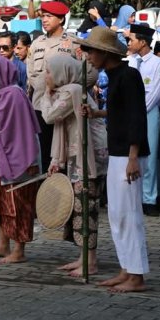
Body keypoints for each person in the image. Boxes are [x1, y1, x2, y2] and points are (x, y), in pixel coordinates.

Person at [77, 26, 150, 293]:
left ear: (104, 52)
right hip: (118, 151)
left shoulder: (128, 76)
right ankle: (126, 268)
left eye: (91, 50)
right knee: (118, 215)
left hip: (128, 154)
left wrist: (133, 155)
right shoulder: (115, 76)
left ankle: (137, 275)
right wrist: (97, 114)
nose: (88, 56)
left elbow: (136, 117)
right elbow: (120, 113)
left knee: (129, 215)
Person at [41, 55, 108, 277]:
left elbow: (50, 116)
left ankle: (91, 261)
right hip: (77, 155)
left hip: (88, 158)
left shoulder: (72, 91)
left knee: (85, 207)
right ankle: (83, 258)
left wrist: (45, 95)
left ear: (62, 73)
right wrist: (56, 161)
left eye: (49, 72)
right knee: (80, 206)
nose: (46, 77)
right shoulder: (69, 90)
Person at [0, 55, 41, 264]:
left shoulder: (14, 95)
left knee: (19, 203)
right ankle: (3, 244)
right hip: (2, 157)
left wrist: (31, 162)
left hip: (20, 158)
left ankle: (18, 249)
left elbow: (24, 132)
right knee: (1, 200)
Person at [28, 0, 91, 170]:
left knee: (66, 150)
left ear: (61, 19)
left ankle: (67, 191)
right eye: (43, 16)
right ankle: (48, 191)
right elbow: (31, 74)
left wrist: (65, 89)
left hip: (66, 106)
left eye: (49, 16)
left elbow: (88, 73)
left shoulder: (73, 42)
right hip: (41, 104)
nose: (44, 20)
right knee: (45, 150)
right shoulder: (37, 43)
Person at [127, 24, 160, 217]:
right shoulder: (132, 61)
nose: (129, 42)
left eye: (132, 39)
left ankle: (149, 199)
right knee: (133, 156)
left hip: (148, 113)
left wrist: (138, 111)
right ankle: (136, 197)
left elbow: (153, 94)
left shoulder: (157, 64)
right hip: (133, 113)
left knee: (149, 157)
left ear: (142, 42)